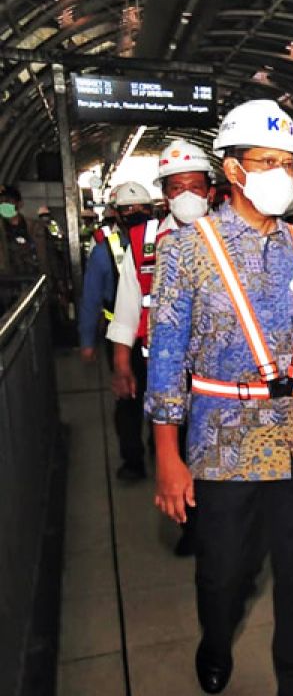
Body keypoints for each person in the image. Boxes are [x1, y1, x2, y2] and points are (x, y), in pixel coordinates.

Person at [145, 99, 293, 696]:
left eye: (288, 163)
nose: (281, 174)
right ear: (234, 170)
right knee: (225, 575)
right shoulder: (186, 249)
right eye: (267, 163)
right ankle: (217, 637)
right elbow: (168, 352)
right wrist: (167, 453)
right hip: (224, 447)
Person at [107, 140, 214, 552]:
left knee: (215, 451)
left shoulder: (229, 232)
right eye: (175, 186)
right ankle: (192, 525)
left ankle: (219, 524)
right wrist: (122, 364)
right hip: (167, 372)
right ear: (165, 193)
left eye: (194, 184)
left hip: (217, 372)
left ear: (210, 189)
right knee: (176, 449)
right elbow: (128, 307)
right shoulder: (143, 241)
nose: (185, 194)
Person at [79, 181, 157, 481]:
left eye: (141, 208)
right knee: (128, 400)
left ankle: (158, 444)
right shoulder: (104, 251)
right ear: (116, 213)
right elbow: (91, 298)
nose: (135, 213)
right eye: (128, 208)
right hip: (123, 340)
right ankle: (133, 461)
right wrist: (87, 341)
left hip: (156, 336)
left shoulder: (167, 241)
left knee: (162, 394)